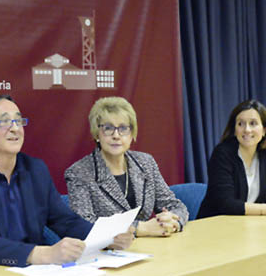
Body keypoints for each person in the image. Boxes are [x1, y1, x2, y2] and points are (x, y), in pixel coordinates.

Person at [0, 95, 134, 267]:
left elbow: (64, 221)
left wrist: (106, 238)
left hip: (33, 273)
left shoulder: (34, 169)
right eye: (4, 122)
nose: (15, 129)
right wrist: (42, 254)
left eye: (18, 121)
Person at [65, 97, 188, 236]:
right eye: (108, 128)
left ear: (131, 134)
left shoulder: (146, 163)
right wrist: (140, 228)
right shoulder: (79, 173)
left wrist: (172, 222)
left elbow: (174, 206)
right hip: (107, 252)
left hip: (150, 247)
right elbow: (84, 225)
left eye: (123, 128)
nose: (116, 135)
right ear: (97, 134)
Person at [198, 100, 266, 218]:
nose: (247, 129)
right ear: (234, 130)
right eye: (241, 124)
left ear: (264, 130)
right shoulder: (222, 154)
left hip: (249, 224)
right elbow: (226, 204)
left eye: (253, 123)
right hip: (215, 225)